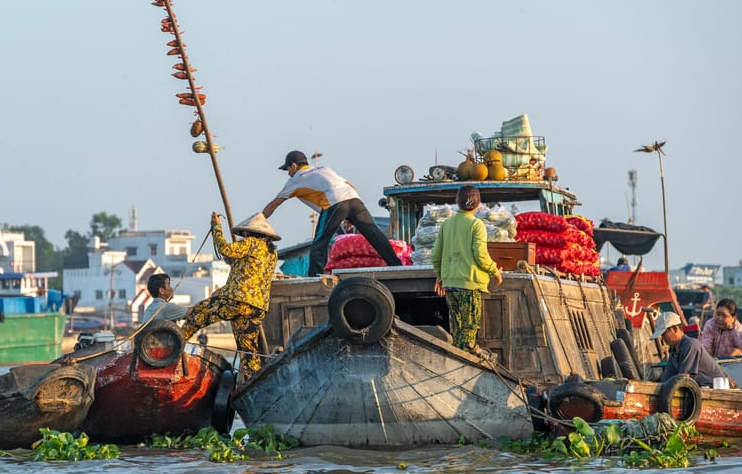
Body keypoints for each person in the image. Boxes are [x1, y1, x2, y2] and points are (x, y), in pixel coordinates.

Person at [262, 150, 402, 276]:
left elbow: (274, 204)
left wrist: (259, 220)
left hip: (334, 203)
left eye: (288, 169)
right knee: (375, 234)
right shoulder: (323, 169)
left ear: (293, 166)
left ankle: (314, 279)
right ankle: (397, 266)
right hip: (353, 198)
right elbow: (349, 185)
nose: (288, 173)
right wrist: (349, 216)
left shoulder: (295, 180)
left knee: (319, 244)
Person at [181, 211, 279, 381]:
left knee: (196, 315)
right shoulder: (271, 253)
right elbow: (248, 275)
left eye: (245, 235)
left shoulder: (252, 243)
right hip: (257, 307)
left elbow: (225, 249)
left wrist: (216, 227)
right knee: (248, 351)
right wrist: (224, 290)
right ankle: (251, 384)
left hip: (238, 301)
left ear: (250, 233)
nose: (244, 237)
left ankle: (172, 350)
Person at [431, 185, 503, 355]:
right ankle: (462, 362)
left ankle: (458, 360)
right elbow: (480, 254)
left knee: (457, 332)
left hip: (450, 287)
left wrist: (440, 277)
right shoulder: (476, 225)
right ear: (478, 204)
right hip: (469, 286)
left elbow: (436, 256)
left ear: (457, 202)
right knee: (469, 332)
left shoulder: (447, 224)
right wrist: (495, 271)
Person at [652, 311, 727, 387]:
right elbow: (666, 378)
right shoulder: (673, 350)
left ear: (674, 329)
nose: (662, 338)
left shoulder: (690, 345)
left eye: (664, 334)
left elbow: (683, 378)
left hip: (712, 388)